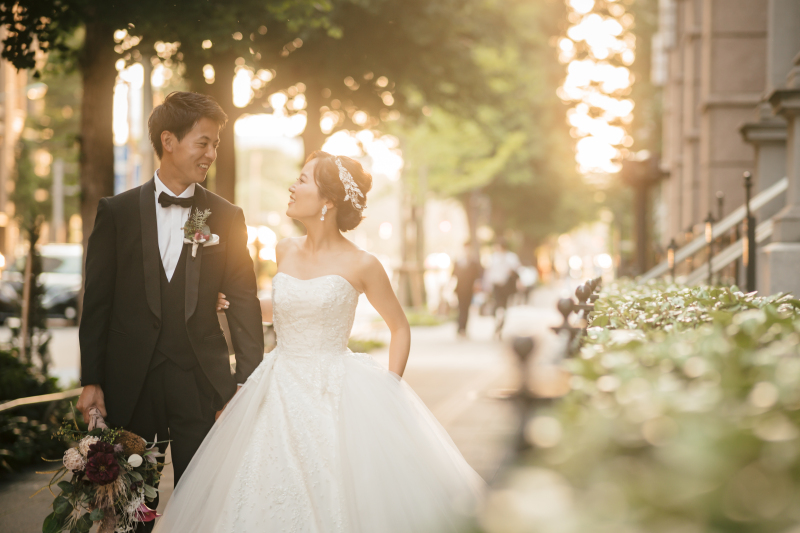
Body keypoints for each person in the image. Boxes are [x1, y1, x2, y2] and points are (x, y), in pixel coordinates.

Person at [152, 151, 484, 532]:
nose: (293, 186)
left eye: (304, 180)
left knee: (334, 486)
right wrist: (227, 302)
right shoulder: (285, 249)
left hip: (336, 388)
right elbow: (287, 306)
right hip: (276, 383)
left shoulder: (363, 264)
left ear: (328, 200)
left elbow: (400, 328)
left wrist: (390, 386)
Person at [75, 91, 265, 531]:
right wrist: (91, 379)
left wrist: (246, 381)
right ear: (169, 140)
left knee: (204, 503)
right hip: (131, 384)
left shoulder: (224, 216)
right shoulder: (116, 213)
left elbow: (243, 301)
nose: (211, 154)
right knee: (133, 508)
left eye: (216, 144)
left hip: (202, 385)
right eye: (204, 142)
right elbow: (97, 303)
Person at [485, 240, 520, 336]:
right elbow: (489, 272)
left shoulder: (511, 257)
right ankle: (497, 322)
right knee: (497, 305)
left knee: (503, 306)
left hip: (506, 286)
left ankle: (500, 324)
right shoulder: (493, 257)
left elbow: (516, 271)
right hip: (496, 285)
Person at [452, 241, 482, 336]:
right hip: (460, 288)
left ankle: (463, 328)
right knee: (460, 308)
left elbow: (477, 276)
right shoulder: (458, 261)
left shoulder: (473, 262)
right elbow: (453, 274)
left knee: (466, 308)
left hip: (469, 289)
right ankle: (460, 327)